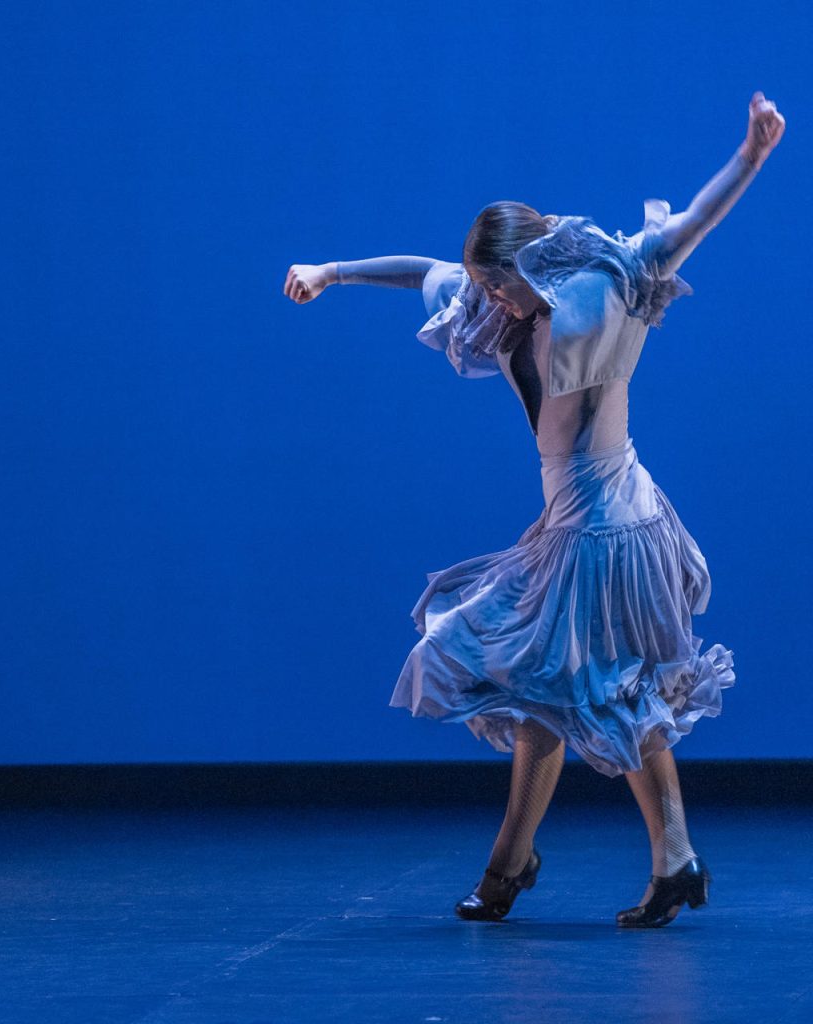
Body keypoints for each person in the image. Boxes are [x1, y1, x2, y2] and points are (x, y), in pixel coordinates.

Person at [282, 93, 785, 927]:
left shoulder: (602, 292)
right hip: (575, 529)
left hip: (611, 531)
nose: (492, 300)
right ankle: (627, 862)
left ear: (531, 265)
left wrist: (753, 156)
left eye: (500, 284)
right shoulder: (497, 305)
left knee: (584, 695)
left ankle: (548, 865)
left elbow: (692, 222)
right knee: (564, 698)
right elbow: (420, 271)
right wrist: (330, 272)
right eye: (483, 285)